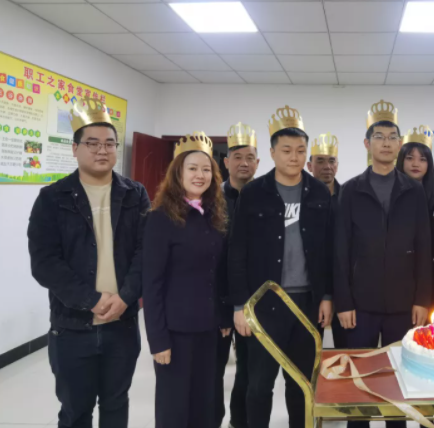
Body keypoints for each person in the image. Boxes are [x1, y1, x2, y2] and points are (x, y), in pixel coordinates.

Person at [27, 97, 150, 428]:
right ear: (75, 148)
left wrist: (125, 297)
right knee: (75, 411)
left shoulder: (135, 194)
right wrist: (91, 300)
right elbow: (45, 262)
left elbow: (145, 252)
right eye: (92, 143)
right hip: (72, 326)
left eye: (109, 143)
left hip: (122, 325)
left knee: (115, 405)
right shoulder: (52, 198)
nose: (102, 150)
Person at [228, 105, 333, 428]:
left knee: (301, 384)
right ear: (272, 153)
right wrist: (240, 305)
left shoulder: (319, 192)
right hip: (264, 303)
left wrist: (327, 296)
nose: (294, 157)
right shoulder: (253, 193)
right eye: (286, 150)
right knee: (259, 384)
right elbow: (237, 251)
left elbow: (329, 250)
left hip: (306, 303)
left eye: (301, 150)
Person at [334, 100, 431, 428]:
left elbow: (424, 247)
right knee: (359, 379)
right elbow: (341, 250)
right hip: (360, 305)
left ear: (399, 144)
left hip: (404, 304)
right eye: (379, 137)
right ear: (367, 144)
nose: (386, 143)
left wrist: (422, 299)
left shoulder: (413, 191)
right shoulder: (351, 190)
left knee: (397, 379)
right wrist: (344, 302)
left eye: (392, 137)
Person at [142, 132, 228, 428]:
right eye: (192, 168)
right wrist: (158, 340)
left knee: (206, 405)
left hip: (209, 329)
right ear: (178, 173)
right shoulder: (160, 218)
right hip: (175, 333)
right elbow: (151, 284)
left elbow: (218, 273)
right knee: (175, 409)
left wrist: (223, 316)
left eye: (206, 169)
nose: (200, 175)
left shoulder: (214, 215)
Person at [216, 123, 260, 428]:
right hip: (215, 296)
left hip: (250, 296)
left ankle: (239, 421)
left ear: (258, 162)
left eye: (250, 157)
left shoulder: (266, 197)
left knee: (248, 366)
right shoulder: (212, 198)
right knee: (212, 369)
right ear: (226, 161)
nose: (244, 163)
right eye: (237, 157)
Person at [396, 125, 434, 307]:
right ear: (401, 161)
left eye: (422, 159)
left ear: (429, 164)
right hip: (402, 288)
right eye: (410, 158)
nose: (416, 164)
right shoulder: (392, 197)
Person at [307, 132, 345, 349]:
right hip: (313, 288)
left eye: (331, 161)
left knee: (345, 349)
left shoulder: (348, 196)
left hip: (344, 287)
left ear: (337, 165)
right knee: (310, 350)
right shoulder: (301, 198)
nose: (327, 166)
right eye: (320, 161)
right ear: (309, 166)